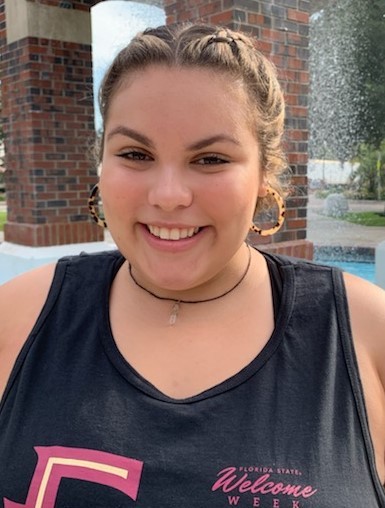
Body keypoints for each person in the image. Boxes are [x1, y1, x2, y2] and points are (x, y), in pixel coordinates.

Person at [0, 23, 384, 507]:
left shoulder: (365, 332)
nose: (168, 196)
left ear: (265, 175)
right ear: (101, 163)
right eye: (136, 154)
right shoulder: (16, 317)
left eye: (210, 159)